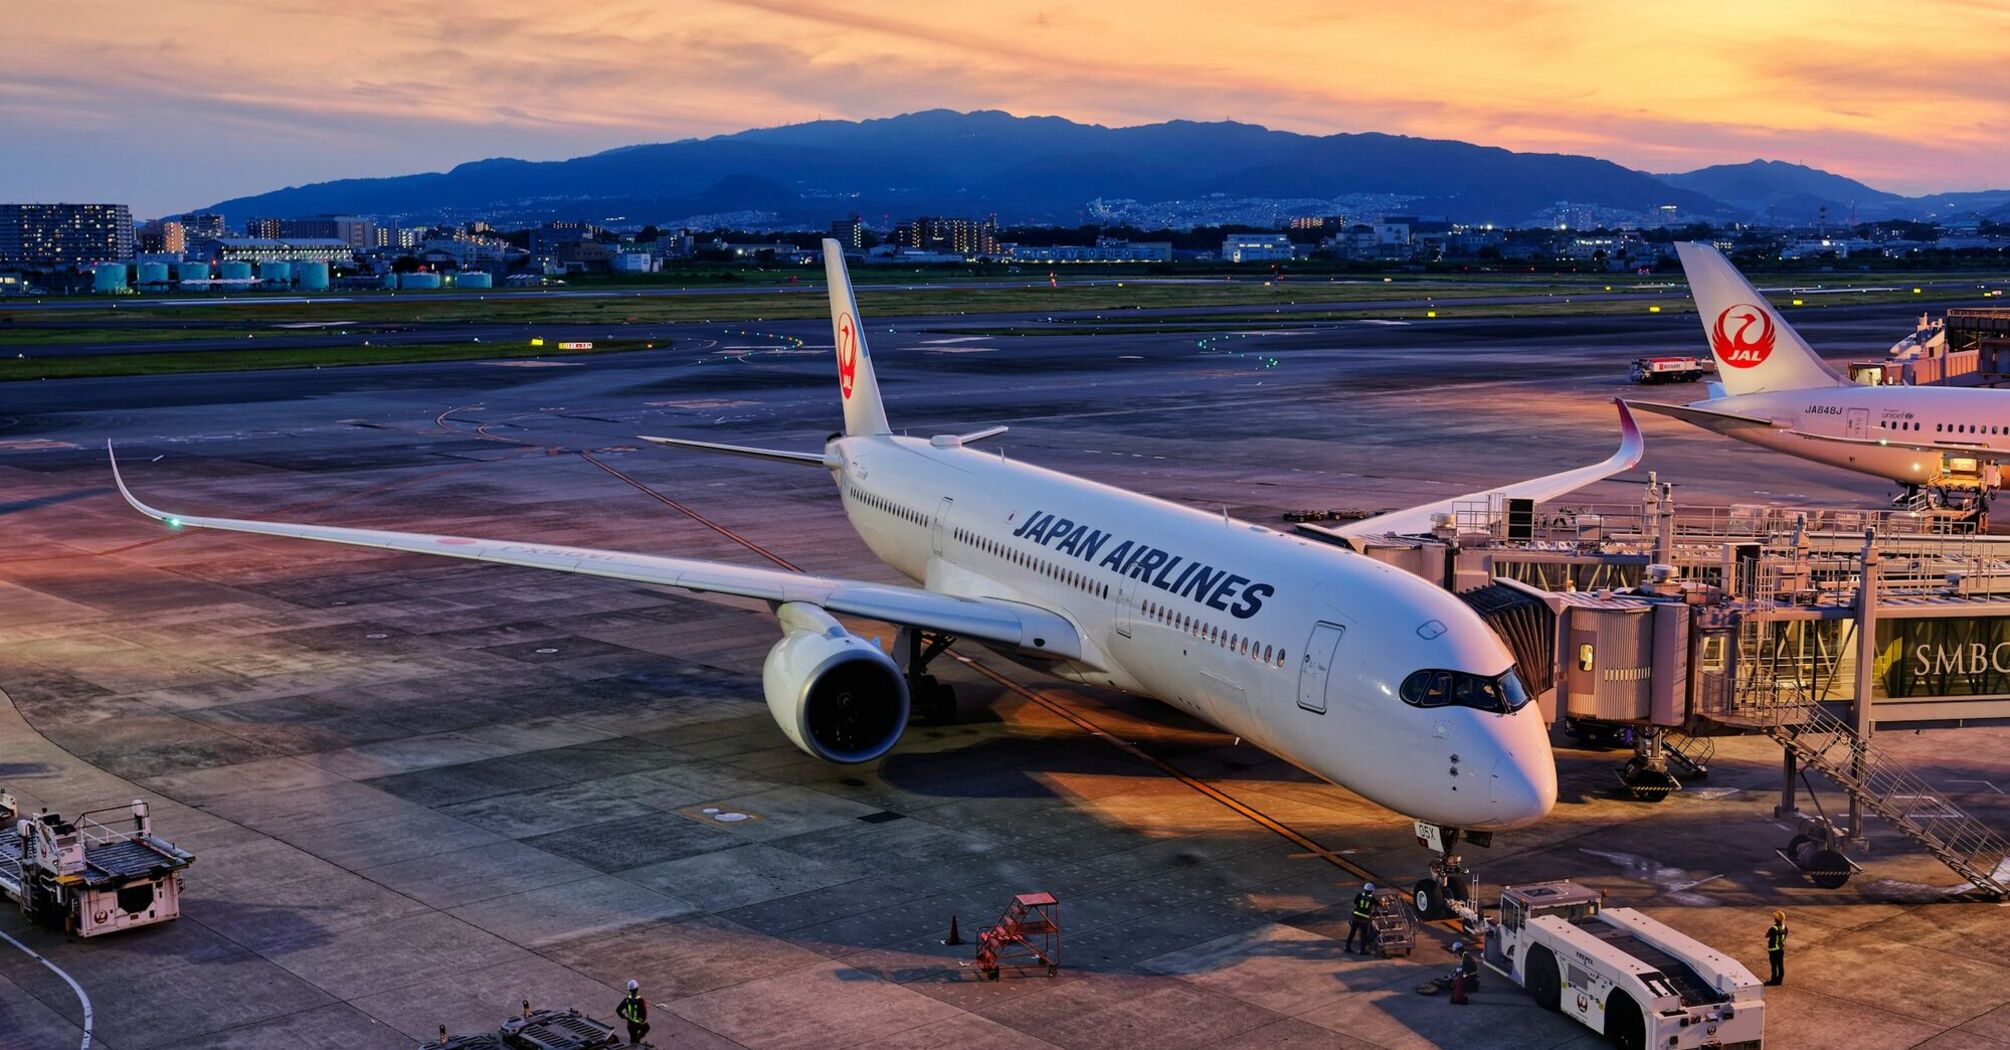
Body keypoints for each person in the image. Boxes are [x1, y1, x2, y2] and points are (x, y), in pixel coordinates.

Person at [1344, 882, 1377, 954]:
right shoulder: (1372, 898)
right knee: (1363, 935)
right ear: (1371, 891)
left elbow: (1355, 902)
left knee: (1352, 933)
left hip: (1356, 917)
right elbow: (1378, 904)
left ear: (1364, 889)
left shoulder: (1359, 895)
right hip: (1364, 919)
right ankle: (1362, 950)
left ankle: (1347, 947)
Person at [617, 979, 650, 1045]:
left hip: (630, 1024)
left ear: (629, 990)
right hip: (638, 1024)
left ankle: (635, 1041)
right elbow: (644, 1013)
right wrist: (641, 1020)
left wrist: (625, 1017)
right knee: (647, 1028)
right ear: (637, 989)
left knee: (633, 1041)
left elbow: (618, 1010)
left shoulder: (626, 999)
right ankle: (638, 1038)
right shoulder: (640, 1000)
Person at [1765, 911, 1789, 986]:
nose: (1774, 919)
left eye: (1775, 918)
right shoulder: (1785, 927)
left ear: (1777, 920)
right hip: (1781, 950)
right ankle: (1779, 981)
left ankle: (1773, 981)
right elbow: (1785, 936)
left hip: (1773, 951)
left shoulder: (1773, 928)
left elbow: (1766, 935)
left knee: (1774, 966)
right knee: (1780, 965)